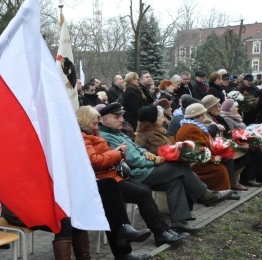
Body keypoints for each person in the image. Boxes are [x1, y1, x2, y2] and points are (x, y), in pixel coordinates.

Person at [99, 103, 231, 233]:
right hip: (137, 174)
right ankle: (206, 195)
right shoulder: (107, 135)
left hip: (144, 170)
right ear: (105, 120)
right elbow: (132, 159)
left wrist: (145, 152)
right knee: (177, 168)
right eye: (117, 117)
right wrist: (154, 161)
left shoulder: (116, 132)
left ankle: (179, 222)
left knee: (175, 181)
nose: (122, 119)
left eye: (122, 116)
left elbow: (136, 147)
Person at [78, 106, 184, 249]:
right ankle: (160, 231)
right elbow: (96, 161)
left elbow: (133, 148)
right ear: (85, 122)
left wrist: (142, 153)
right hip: (109, 179)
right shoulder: (89, 136)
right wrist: (118, 153)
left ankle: (164, 230)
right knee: (155, 184)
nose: (121, 119)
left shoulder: (99, 134)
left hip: (114, 176)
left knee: (150, 189)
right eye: (94, 123)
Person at [175, 103, 231, 192]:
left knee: (227, 159)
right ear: (197, 116)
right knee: (220, 168)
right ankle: (221, 191)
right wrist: (215, 159)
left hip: (199, 159)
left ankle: (228, 188)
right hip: (196, 163)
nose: (205, 117)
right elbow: (200, 150)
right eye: (203, 115)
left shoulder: (193, 126)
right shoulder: (191, 129)